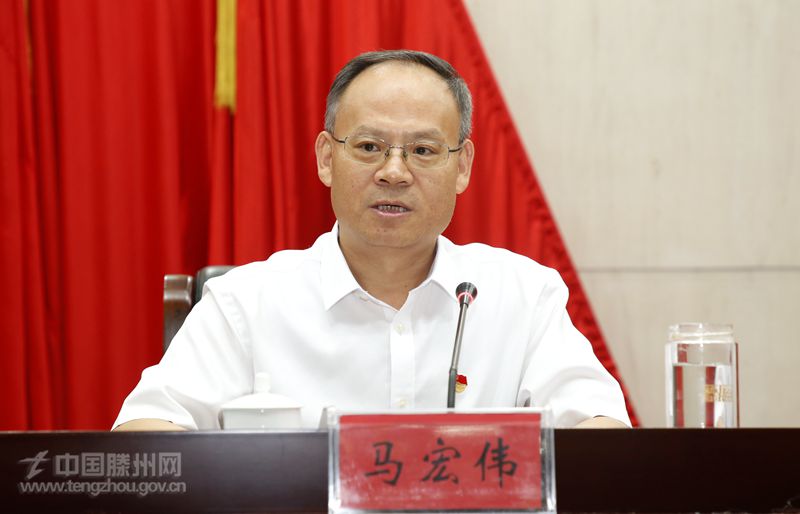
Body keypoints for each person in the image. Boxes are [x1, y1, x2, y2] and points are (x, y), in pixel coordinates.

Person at [114, 50, 630, 431]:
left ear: (462, 167)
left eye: (423, 150)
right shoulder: (246, 303)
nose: (394, 172)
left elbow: (600, 429)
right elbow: (145, 433)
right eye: (368, 146)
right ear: (325, 158)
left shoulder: (523, 294)